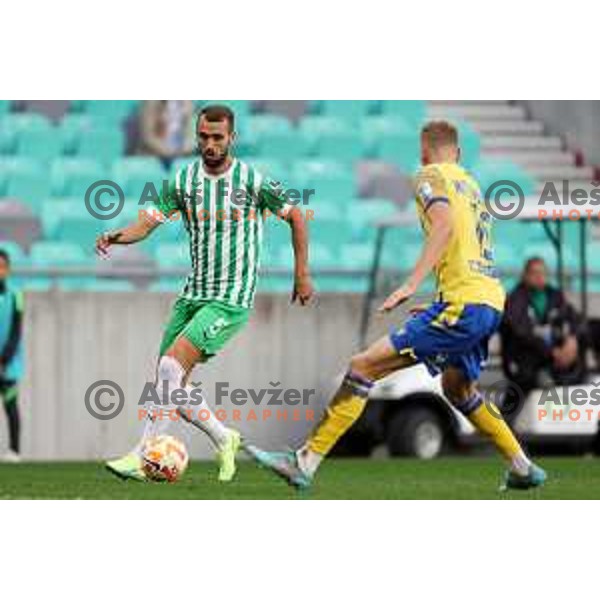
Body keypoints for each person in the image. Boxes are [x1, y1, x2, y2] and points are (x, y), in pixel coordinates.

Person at [247, 120, 546, 491]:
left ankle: (304, 463)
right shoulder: (470, 185)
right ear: (459, 153)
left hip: (463, 305)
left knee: (362, 367)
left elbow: (444, 226)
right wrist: (440, 302)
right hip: (486, 304)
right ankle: (522, 466)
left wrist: (410, 284)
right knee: (458, 389)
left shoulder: (429, 174)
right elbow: (465, 252)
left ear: (423, 152)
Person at [100, 105, 314, 482]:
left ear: (232, 138)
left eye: (218, 137)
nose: (210, 144)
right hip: (192, 295)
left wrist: (301, 273)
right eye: (203, 137)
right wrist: (119, 235)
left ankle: (141, 454)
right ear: (196, 136)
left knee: (169, 369)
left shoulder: (251, 181)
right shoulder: (182, 181)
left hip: (230, 300)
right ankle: (224, 437)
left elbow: (296, 215)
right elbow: (146, 224)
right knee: (172, 387)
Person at [500, 257, 584, 418]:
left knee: (577, 362)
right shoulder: (515, 298)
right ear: (525, 275)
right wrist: (552, 352)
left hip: (554, 355)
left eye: (543, 273)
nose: (539, 277)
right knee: (525, 373)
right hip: (521, 357)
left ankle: (571, 422)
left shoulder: (554, 295)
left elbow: (575, 318)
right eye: (535, 273)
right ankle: (506, 424)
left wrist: (572, 339)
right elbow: (521, 332)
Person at [0, 249, 23, 462]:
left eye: (3, 266)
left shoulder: (16, 295)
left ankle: (14, 451)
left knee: (10, 405)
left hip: (9, 363)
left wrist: (4, 358)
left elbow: (17, 330)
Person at [137, 100, 196, 169]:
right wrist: (169, 152)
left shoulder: (187, 104)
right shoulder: (151, 103)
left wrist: (185, 148)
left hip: (180, 156)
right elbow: (148, 138)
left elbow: (190, 138)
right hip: (155, 158)